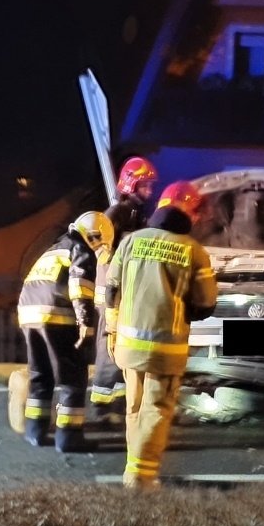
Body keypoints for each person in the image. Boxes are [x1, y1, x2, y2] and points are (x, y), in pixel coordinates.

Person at [101, 181, 216, 487]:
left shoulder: (130, 242)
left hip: (127, 346)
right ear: (190, 212)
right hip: (166, 349)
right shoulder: (194, 252)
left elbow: (110, 290)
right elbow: (206, 305)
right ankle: (141, 477)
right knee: (156, 409)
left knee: (134, 408)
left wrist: (112, 329)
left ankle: (133, 469)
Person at [18, 211, 114, 453]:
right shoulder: (79, 248)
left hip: (29, 315)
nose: (100, 249)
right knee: (73, 377)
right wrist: (85, 325)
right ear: (95, 237)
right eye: (101, 244)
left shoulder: (53, 250)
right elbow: (80, 287)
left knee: (40, 375)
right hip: (56, 317)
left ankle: (35, 431)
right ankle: (69, 437)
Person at [88, 157, 157, 423]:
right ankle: (100, 404)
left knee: (121, 345)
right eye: (144, 186)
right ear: (130, 184)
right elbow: (101, 249)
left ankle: (116, 399)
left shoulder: (139, 216)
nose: (149, 192)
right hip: (110, 291)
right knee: (108, 346)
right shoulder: (116, 213)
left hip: (125, 289)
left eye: (151, 186)